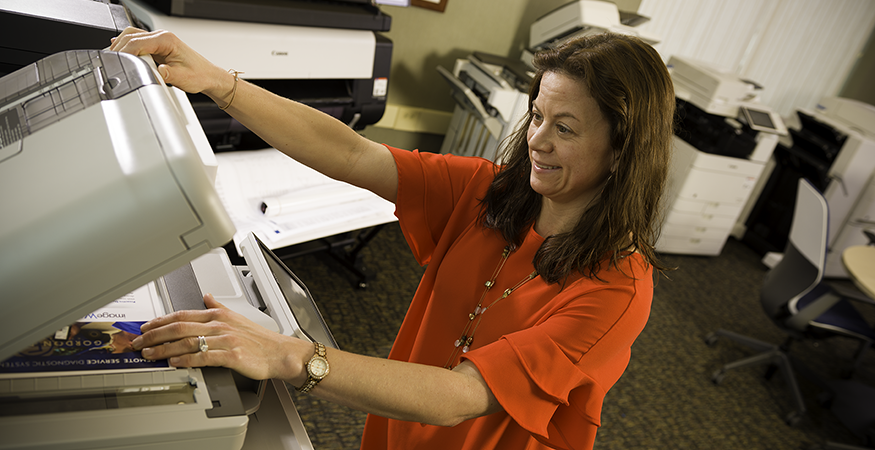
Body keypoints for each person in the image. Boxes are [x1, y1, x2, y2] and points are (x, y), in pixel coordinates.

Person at [110, 27, 675, 450]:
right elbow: (352, 153)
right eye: (536, 116)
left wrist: (287, 355)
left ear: (623, 150)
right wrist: (217, 82)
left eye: (565, 128)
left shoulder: (617, 288)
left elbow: (461, 397)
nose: (537, 141)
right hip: (396, 430)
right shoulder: (489, 192)